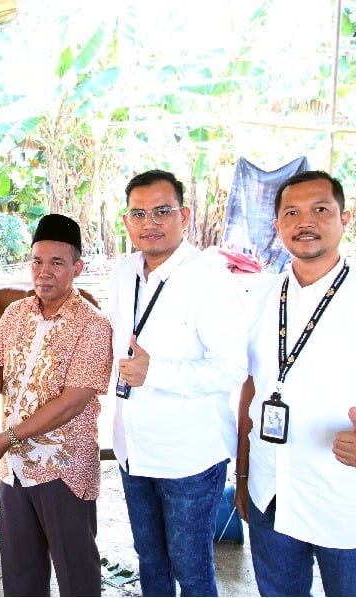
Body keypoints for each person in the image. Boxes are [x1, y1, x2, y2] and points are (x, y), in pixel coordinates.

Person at [234, 170, 356, 597]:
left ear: (344, 218)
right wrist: (243, 475)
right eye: (292, 213)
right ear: (277, 225)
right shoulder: (259, 298)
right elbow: (250, 392)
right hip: (270, 494)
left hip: (347, 502)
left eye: (320, 210)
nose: (305, 222)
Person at [108, 169, 248, 596]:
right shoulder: (123, 273)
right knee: (150, 559)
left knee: (191, 568)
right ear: (127, 221)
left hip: (189, 457)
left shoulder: (211, 280)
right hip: (133, 450)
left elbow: (231, 369)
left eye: (162, 211)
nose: (150, 222)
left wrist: (157, 372)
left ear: (184, 216)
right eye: (139, 213)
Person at [0, 213, 113, 597]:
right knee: (21, 577)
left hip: (63, 469)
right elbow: (3, 378)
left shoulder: (93, 325)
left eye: (57, 262)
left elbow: (73, 402)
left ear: (77, 267)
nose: (44, 272)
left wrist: (10, 436)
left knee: (76, 576)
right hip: (15, 469)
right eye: (37, 261)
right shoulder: (14, 315)